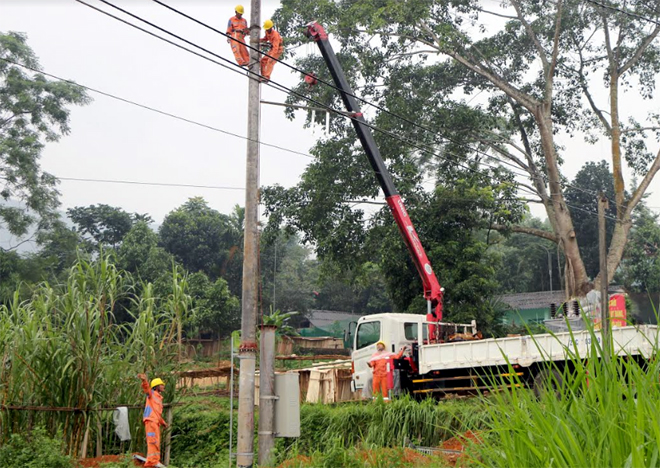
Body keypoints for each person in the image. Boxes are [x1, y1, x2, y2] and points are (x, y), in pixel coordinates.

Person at [138, 373, 168, 468]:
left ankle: (154, 461)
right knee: (152, 442)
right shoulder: (151, 394)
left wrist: (163, 422)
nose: (163, 386)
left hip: (155, 422)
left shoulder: (159, 398)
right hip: (150, 422)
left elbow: (157, 413)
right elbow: (146, 389)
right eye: (161, 385)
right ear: (156, 386)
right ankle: (151, 463)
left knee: (156, 442)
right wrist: (144, 381)